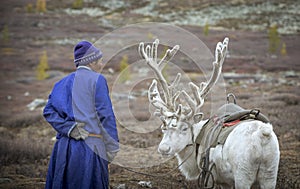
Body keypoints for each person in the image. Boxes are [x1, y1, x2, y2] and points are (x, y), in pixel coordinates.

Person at [43, 41, 119, 189]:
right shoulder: (97, 80)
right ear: (92, 62)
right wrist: (112, 146)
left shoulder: (61, 83)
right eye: (100, 60)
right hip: (91, 148)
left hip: (63, 149)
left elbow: (48, 111)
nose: (102, 64)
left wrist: (69, 128)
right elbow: (106, 115)